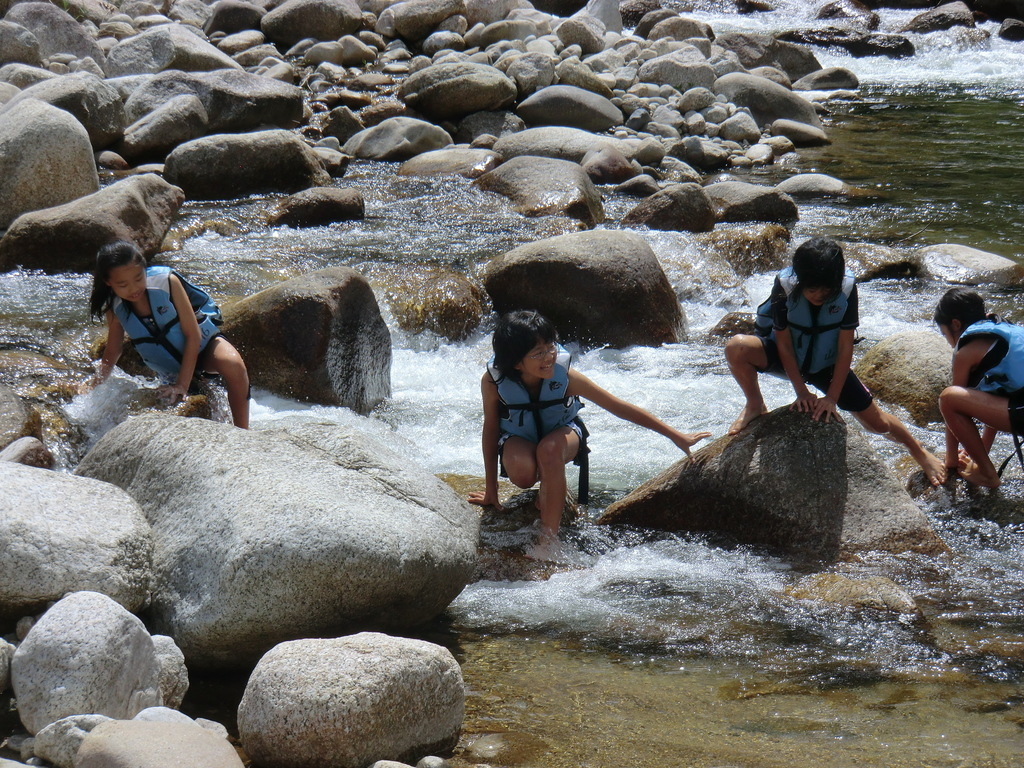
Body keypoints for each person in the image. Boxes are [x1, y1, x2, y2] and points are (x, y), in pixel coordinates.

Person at [467, 310, 711, 549]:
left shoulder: (566, 378)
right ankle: (550, 483)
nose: (549, 356)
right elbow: (490, 430)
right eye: (538, 353)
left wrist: (675, 435)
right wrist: (492, 489)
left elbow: (619, 407)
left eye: (551, 347)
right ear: (515, 362)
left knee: (549, 450)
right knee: (522, 476)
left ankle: (548, 540)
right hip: (519, 437)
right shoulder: (493, 382)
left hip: (562, 434)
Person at [724, 236, 945, 485]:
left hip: (825, 364)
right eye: (812, 289)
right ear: (800, 280)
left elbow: (844, 346)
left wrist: (831, 398)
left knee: (877, 423)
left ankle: (919, 451)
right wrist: (801, 391)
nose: (819, 295)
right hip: (784, 356)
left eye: (826, 290)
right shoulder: (784, 286)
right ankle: (755, 403)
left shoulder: (847, 289)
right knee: (737, 347)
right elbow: (783, 343)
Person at [84, 240, 250, 429]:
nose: (134, 288)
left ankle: (243, 432)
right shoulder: (114, 307)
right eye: (123, 284)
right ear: (108, 282)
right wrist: (94, 385)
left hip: (203, 348)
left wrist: (182, 385)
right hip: (170, 367)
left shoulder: (167, 282)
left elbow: (193, 334)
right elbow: (113, 350)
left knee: (234, 365)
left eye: (139, 278)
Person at [934, 287, 1024, 488]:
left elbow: (952, 409)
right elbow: (995, 395)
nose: (948, 342)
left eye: (944, 333)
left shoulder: (966, 353)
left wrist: (951, 461)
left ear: (955, 324)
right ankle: (984, 467)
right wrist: (981, 451)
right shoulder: (1007, 331)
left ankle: (988, 476)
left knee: (948, 398)